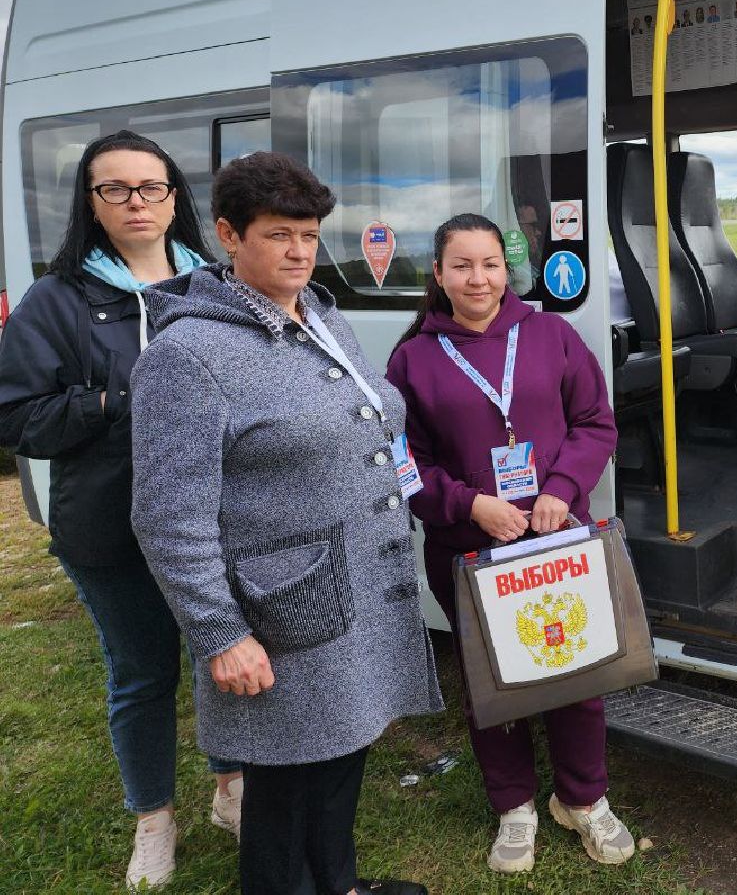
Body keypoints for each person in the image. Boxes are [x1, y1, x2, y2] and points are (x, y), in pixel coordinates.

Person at [130, 152, 441, 895]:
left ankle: (339, 884)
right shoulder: (189, 354)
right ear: (230, 237)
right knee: (286, 790)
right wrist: (221, 634)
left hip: (358, 588)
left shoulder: (322, 319)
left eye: (309, 234)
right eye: (279, 235)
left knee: (340, 762)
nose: (301, 252)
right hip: (283, 612)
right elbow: (168, 519)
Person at [0, 130, 238, 890]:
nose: (137, 202)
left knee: (222, 659)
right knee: (141, 674)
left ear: (175, 198)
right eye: (116, 189)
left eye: (152, 187)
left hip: (214, 522)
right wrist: (115, 402)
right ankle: (153, 821)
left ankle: (231, 787)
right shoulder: (57, 298)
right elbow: (16, 417)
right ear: (90, 203)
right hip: (110, 526)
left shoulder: (218, 285)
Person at [386, 214, 634, 876]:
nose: (478, 278)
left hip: (557, 536)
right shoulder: (413, 357)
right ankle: (515, 805)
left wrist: (560, 486)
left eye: (490, 264)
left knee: (577, 670)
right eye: (461, 266)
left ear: (507, 269)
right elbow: (403, 461)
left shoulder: (551, 335)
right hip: (470, 548)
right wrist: (470, 504)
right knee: (493, 680)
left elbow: (594, 422)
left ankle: (583, 798)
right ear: (438, 275)